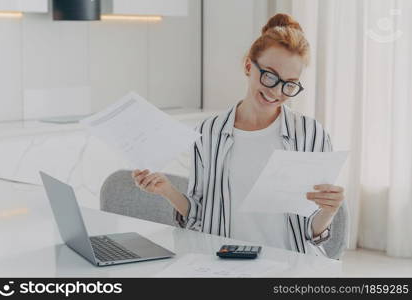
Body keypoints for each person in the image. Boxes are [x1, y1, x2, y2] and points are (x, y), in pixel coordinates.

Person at [132, 13, 348, 258]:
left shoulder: (311, 134)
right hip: (226, 262)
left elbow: (311, 232)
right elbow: (199, 218)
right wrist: (167, 190)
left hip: (291, 265)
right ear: (248, 66)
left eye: (289, 84)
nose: (276, 91)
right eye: (269, 76)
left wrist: (329, 211)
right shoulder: (208, 132)